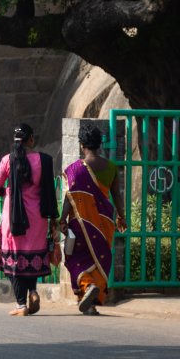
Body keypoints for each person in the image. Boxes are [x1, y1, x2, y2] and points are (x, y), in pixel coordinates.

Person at [0, 123, 60, 316]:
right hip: (37, 218)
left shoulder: (7, 160)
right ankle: (33, 291)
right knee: (31, 257)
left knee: (13, 260)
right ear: (31, 139)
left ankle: (21, 305)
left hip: (14, 219)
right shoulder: (44, 160)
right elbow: (49, 190)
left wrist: (8, 191)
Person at [58, 124, 126, 315]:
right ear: (99, 145)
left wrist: (62, 219)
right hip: (104, 222)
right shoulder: (111, 167)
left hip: (81, 223)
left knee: (75, 260)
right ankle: (91, 304)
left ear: (81, 145)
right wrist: (121, 216)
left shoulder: (75, 169)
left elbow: (70, 198)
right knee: (99, 258)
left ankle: (87, 287)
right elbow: (117, 196)